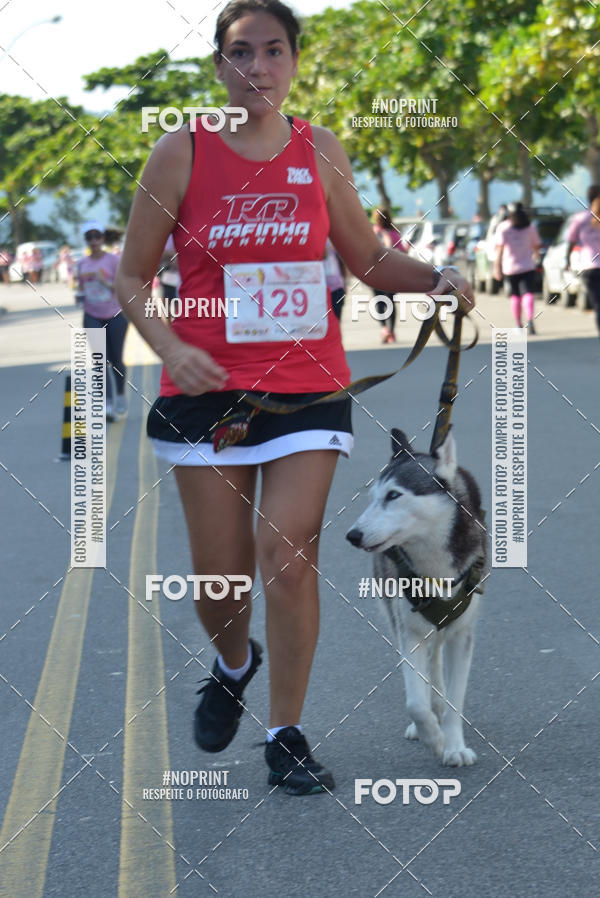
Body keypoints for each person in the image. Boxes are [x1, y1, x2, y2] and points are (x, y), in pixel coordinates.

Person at [115, 0, 474, 796]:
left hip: (308, 386)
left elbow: (368, 259)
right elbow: (131, 275)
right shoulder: (181, 150)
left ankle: (286, 733)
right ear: (219, 66)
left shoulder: (320, 148)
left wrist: (438, 278)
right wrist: (171, 347)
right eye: (241, 52)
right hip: (206, 390)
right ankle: (232, 662)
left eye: (274, 50)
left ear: (295, 61)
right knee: (221, 578)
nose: (258, 67)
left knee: (289, 556)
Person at [76, 221, 129, 419]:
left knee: (116, 360)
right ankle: (106, 403)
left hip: (115, 314)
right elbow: (80, 288)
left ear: (103, 238)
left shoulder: (114, 260)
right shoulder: (82, 263)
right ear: (86, 240)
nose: (94, 240)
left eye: (97, 236)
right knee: (100, 361)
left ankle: (120, 394)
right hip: (92, 314)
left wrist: (104, 281)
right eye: (89, 237)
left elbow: (123, 288)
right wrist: (79, 296)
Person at [494, 202, 541, 333]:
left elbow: (499, 250)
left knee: (515, 295)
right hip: (527, 265)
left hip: (510, 267)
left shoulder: (503, 227)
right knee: (528, 293)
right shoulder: (530, 226)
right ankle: (530, 320)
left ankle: (518, 323)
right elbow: (536, 245)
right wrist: (536, 256)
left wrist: (497, 267)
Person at [567, 184, 600, 337]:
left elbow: (571, 241)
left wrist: (567, 260)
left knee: (598, 305)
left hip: (589, 267)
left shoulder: (580, 218)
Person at [371, 208, 406, 343]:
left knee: (379, 301)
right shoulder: (394, 233)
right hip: (392, 273)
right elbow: (403, 253)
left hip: (375, 272)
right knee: (390, 301)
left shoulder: (372, 233)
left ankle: (384, 329)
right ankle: (390, 331)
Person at [323, 237, 345, 320]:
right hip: (320, 289)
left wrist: (345, 282)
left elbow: (341, 261)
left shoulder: (332, 238)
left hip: (336, 287)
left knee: (336, 320)